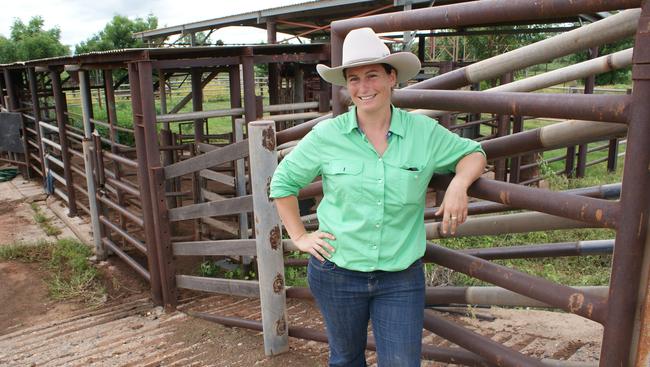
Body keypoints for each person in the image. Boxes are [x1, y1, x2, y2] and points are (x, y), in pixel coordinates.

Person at [270, 27, 486, 367]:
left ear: (392, 78)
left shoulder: (423, 132)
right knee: (345, 359)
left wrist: (459, 183)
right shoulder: (327, 135)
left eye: (372, 75)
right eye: (353, 79)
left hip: (400, 276)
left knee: (402, 363)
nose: (363, 87)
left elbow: (474, 153)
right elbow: (282, 183)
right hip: (336, 271)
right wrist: (299, 236)